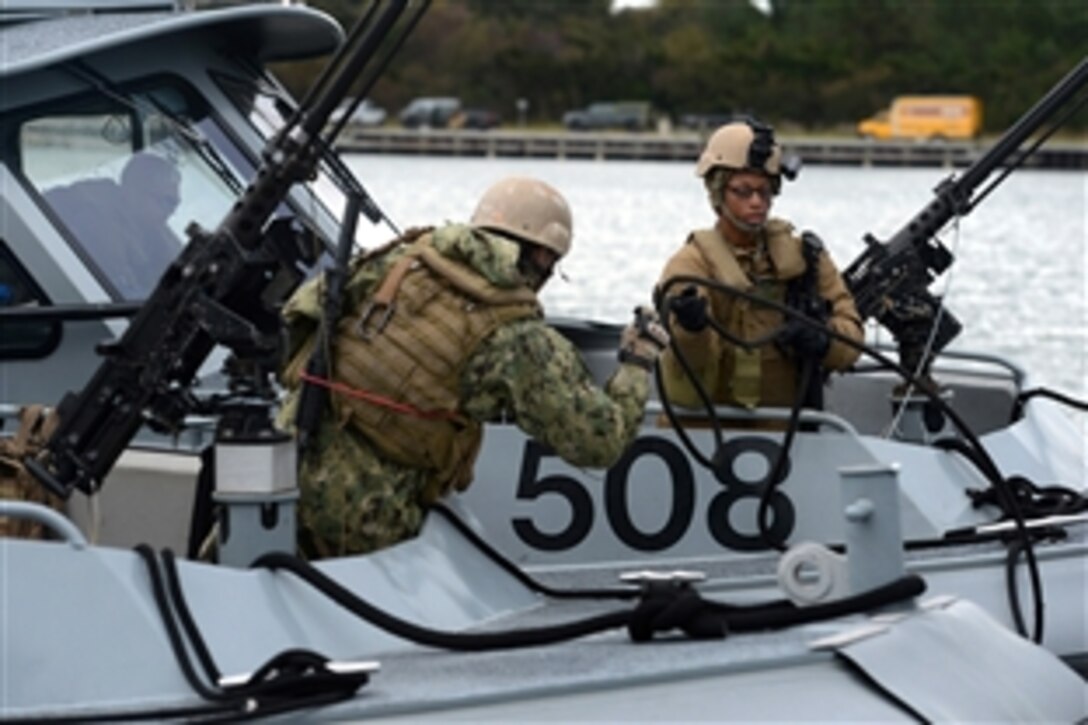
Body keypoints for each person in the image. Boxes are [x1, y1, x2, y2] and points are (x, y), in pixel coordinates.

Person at [277, 176, 669, 558]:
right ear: (544, 255)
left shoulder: (403, 257)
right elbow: (598, 441)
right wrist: (637, 361)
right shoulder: (517, 335)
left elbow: (300, 317)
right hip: (362, 521)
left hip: (280, 470)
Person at [655, 118, 862, 415]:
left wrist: (822, 339)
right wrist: (692, 328)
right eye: (743, 191)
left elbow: (852, 340)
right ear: (718, 192)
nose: (757, 202)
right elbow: (689, 364)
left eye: (765, 192)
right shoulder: (691, 264)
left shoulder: (806, 257)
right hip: (711, 431)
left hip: (792, 431)